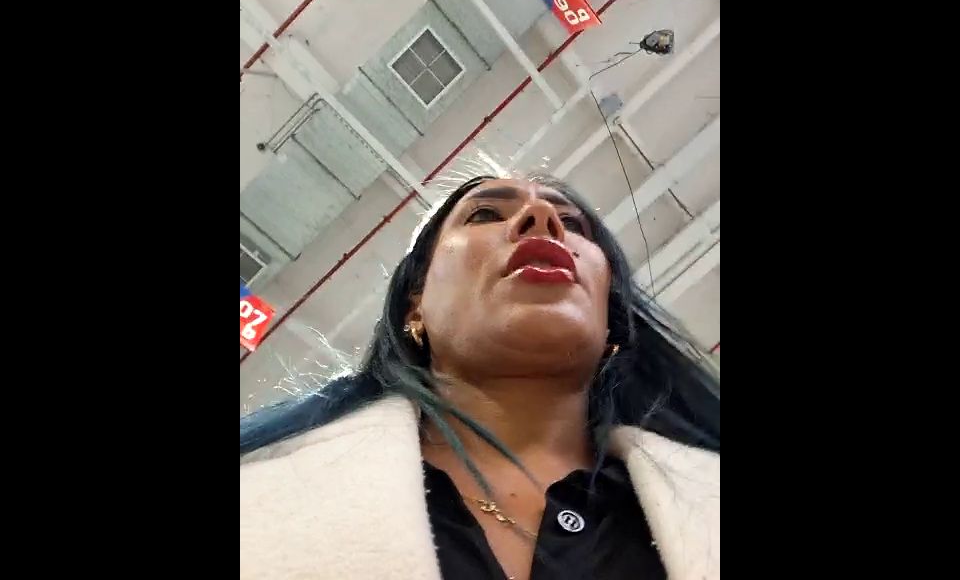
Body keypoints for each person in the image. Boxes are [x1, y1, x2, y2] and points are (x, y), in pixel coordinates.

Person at [240, 175, 720, 580]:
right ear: (414, 306)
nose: (541, 218)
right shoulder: (262, 498)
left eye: (573, 224)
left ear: (611, 320)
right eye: (485, 214)